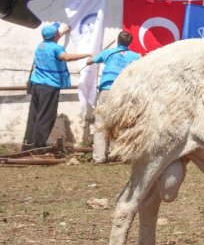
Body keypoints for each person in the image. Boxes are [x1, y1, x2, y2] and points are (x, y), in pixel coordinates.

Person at [22, 22, 92, 150]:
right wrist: (86, 54)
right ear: (55, 36)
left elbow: (52, 39)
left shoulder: (41, 45)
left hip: (37, 85)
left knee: (34, 115)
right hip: (49, 87)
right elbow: (66, 57)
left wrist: (63, 31)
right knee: (46, 116)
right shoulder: (56, 49)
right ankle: (38, 147)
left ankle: (28, 145)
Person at [86, 30, 141, 163]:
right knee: (120, 123)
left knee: (101, 123)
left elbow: (89, 61)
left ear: (117, 40)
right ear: (130, 42)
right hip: (123, 91)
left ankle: (99, 157)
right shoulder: (136, 56)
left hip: (107, 90)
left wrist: (94, 55)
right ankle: (117, 154)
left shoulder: (109, 53)